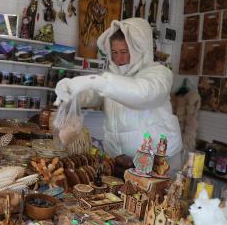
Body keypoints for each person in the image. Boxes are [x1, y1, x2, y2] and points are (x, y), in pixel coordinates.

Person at [55, 18, 182, 170]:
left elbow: (142, 94)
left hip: (158, 163)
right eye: (114, 52)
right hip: (120, 162)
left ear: (139, 49)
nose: (118, 58)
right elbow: (94, 95)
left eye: (124, 52)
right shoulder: (113, 76)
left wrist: (95, 80)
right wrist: (72, 92)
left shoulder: (159, 74)